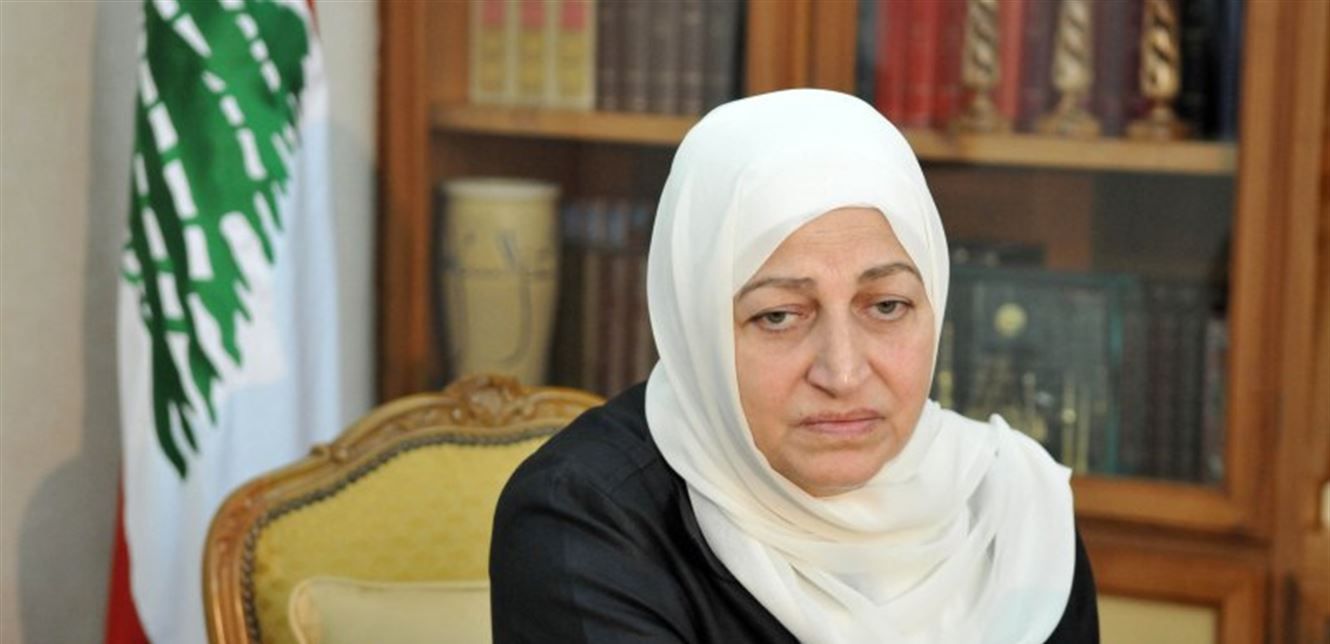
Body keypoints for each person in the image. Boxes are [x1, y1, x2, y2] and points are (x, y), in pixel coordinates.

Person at [490, 89, 1098, 643]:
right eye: (779, 315)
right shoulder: (585, 520)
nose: (843, 373)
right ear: (697, 326)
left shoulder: (1012, 513)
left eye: (887, 306)